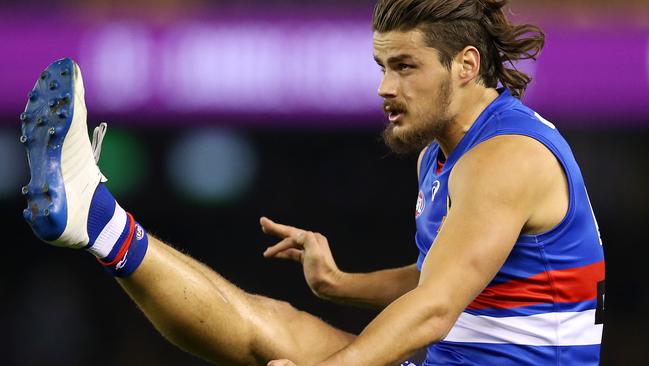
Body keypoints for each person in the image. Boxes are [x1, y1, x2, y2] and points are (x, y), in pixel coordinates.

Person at [19, 0, 605, 365]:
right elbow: (452, 269)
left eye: (404, 67)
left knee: (278, 343)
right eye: (382, 66)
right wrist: (342, 285)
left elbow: (435, 307)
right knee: (272, 325)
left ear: (467, 66)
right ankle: (100, 223)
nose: (384, 87)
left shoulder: (506, 157)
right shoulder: (445, 151)